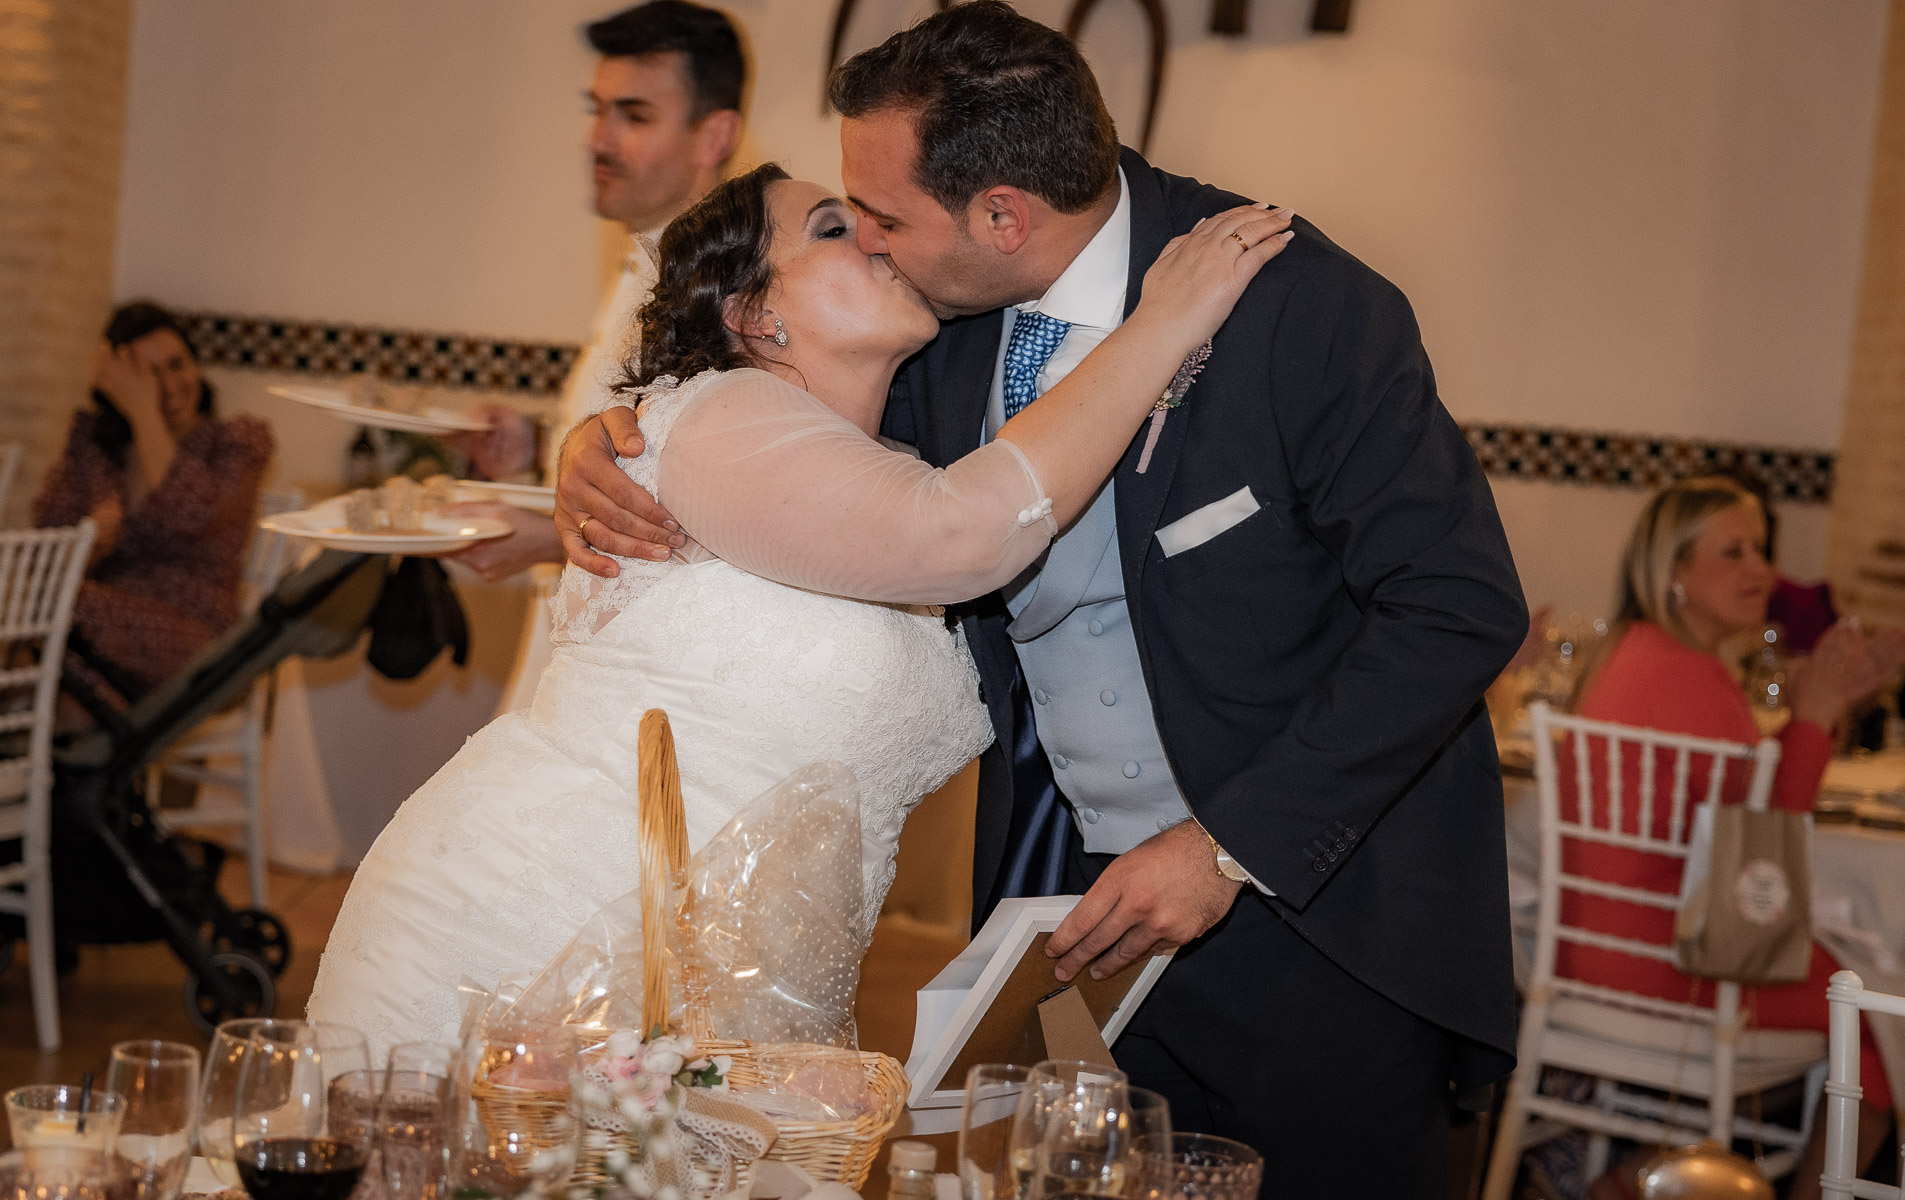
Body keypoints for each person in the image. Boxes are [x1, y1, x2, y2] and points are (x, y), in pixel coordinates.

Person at [556, 5, 1528, 1192]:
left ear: (1003, 215)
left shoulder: (1304, 310)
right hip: (1071, 920)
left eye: (884, 216)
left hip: (1315, 920)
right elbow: (798, 457)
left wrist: (1226, 849)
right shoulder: (931, 320)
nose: (865, 242)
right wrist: (616, 443)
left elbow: (1456, 608)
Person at [304, 163, 1291, 1055]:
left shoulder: (892, 472)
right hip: (547, 929)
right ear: (753, 314)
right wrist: (1165, 322)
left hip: (746, 988)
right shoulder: (724, 413)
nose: (872, 236)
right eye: (830, 226)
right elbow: (966, 535)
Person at [1565, 475, 1905, 1199]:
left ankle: (1647, 1170)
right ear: (1675, 573)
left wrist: (1827, 703)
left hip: (1590, 945)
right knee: (1878, 1004)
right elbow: (1766, 852)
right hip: (1678, 962)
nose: (1762, 569)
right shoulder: (1691, 676)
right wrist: (1813, 716)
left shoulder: (1635, 651)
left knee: (1853, 971)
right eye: (1734, 552)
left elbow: (1736, 785)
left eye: (1760, 549)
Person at [449, 0, 747, 713]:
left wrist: (545, 540)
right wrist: (528, 453)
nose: (598, 139)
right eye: (598, 109)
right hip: (573, 650)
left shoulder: (725, 297)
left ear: (714, 136)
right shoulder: (643, 258)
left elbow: (716, 524)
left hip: (636, 686)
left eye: (634, 116)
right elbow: (634, 457)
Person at [33, 301, 273, 717]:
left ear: (197, 366)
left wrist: (144, 411)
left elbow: (191, 511)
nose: (167, 385)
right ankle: (84, 767)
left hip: (200, 638)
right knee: (60, 672)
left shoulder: (237, 443)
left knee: (59, 617)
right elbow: (45, 549)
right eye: (147, 374)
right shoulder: (96, 448)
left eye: (177, 365)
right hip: (94, 644)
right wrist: (88, 541)